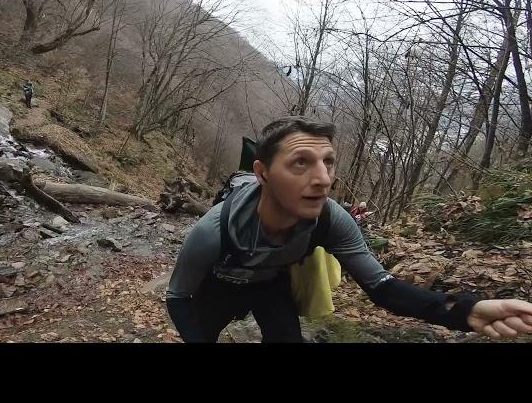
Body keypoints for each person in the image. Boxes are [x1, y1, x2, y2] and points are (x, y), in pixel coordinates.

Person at [166, 116, 532, 343]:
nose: (323, 179)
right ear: (262, 173)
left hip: (269, 283)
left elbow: (383, 288)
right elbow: (178, 297)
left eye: (328, 162)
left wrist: (463, 311)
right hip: (220, 283)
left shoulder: (331, 218)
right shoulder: (214, 229)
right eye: (301, 163)